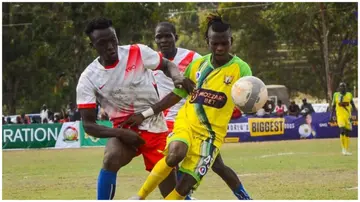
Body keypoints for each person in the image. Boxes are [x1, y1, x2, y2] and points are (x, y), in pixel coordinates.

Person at [127, 15, 252, 200]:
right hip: (187, 123)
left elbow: (247, 101)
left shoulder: (241, 69)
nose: (219, 48)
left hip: (211, 135)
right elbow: (176, 95)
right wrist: (145, 114)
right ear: (207, 41)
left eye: (224, 43)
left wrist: (254, 104)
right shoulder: (197, 65)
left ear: (231, 41)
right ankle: (139, 197)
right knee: (174, 154)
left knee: (186, 186)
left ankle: (244, 197)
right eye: (215, 43)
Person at [76, 17, 193, 200]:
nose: (110, 47)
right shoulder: (89, 77)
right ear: (93, 46)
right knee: (110, 158)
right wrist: (121, 134)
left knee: (170, 193)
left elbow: (167, 65)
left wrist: (177, 77)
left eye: (112, 40)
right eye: (102, 43)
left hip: (155, 127)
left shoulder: (137, 52)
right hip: (124, 131)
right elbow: (88, 125)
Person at [330, 82, 357, 155]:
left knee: (347, 133)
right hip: (340, 117)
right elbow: (333, 106)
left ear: (346, 88)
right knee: (342, 130)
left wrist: (356, 115)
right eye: (341, 87)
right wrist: (331, 116)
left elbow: (353, 105)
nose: (342, 88)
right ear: (339, 88)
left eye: (343, 87)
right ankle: (343, 149)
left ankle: (346, 150)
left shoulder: (349, 95)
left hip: (348, 117)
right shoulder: (336, 95)